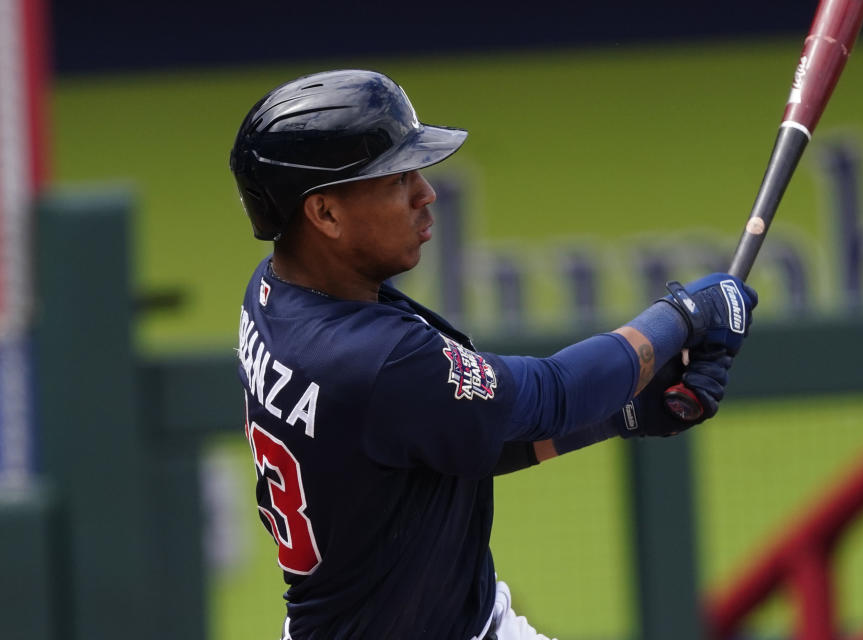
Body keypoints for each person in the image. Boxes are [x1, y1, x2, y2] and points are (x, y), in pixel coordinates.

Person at [229, 69, 758, 640]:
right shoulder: (373, 360)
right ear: (325, 214)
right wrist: (684, 316)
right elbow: (553, 394)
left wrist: (619, 413)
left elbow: (451, 436)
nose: (425, 194)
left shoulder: (276, 294)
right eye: (397, 178)